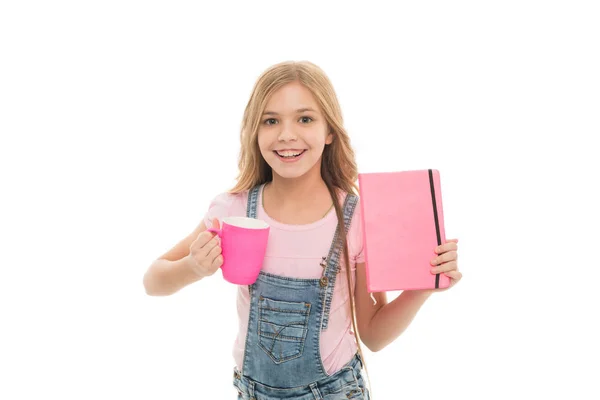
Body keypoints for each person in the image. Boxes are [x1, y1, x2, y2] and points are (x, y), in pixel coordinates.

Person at [142, 60, 462, 399]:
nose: (286, 134)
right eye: (271, 121)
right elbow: (153, 281)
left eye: (305, 119)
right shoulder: (232, 210)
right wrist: (192, 268)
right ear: (255, 131)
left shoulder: (354, 219)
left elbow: (373, 334)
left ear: (329, 132)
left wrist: (423, 287)